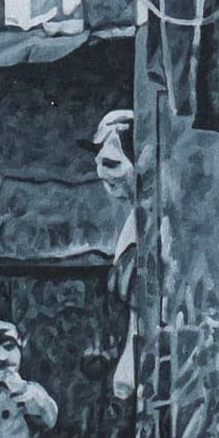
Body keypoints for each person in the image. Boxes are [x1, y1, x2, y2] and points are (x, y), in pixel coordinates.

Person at [93, 108, 138, 403]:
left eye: (111, 163)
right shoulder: (133, 221)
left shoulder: (146, 225)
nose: (101, 172)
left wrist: (126, 370)